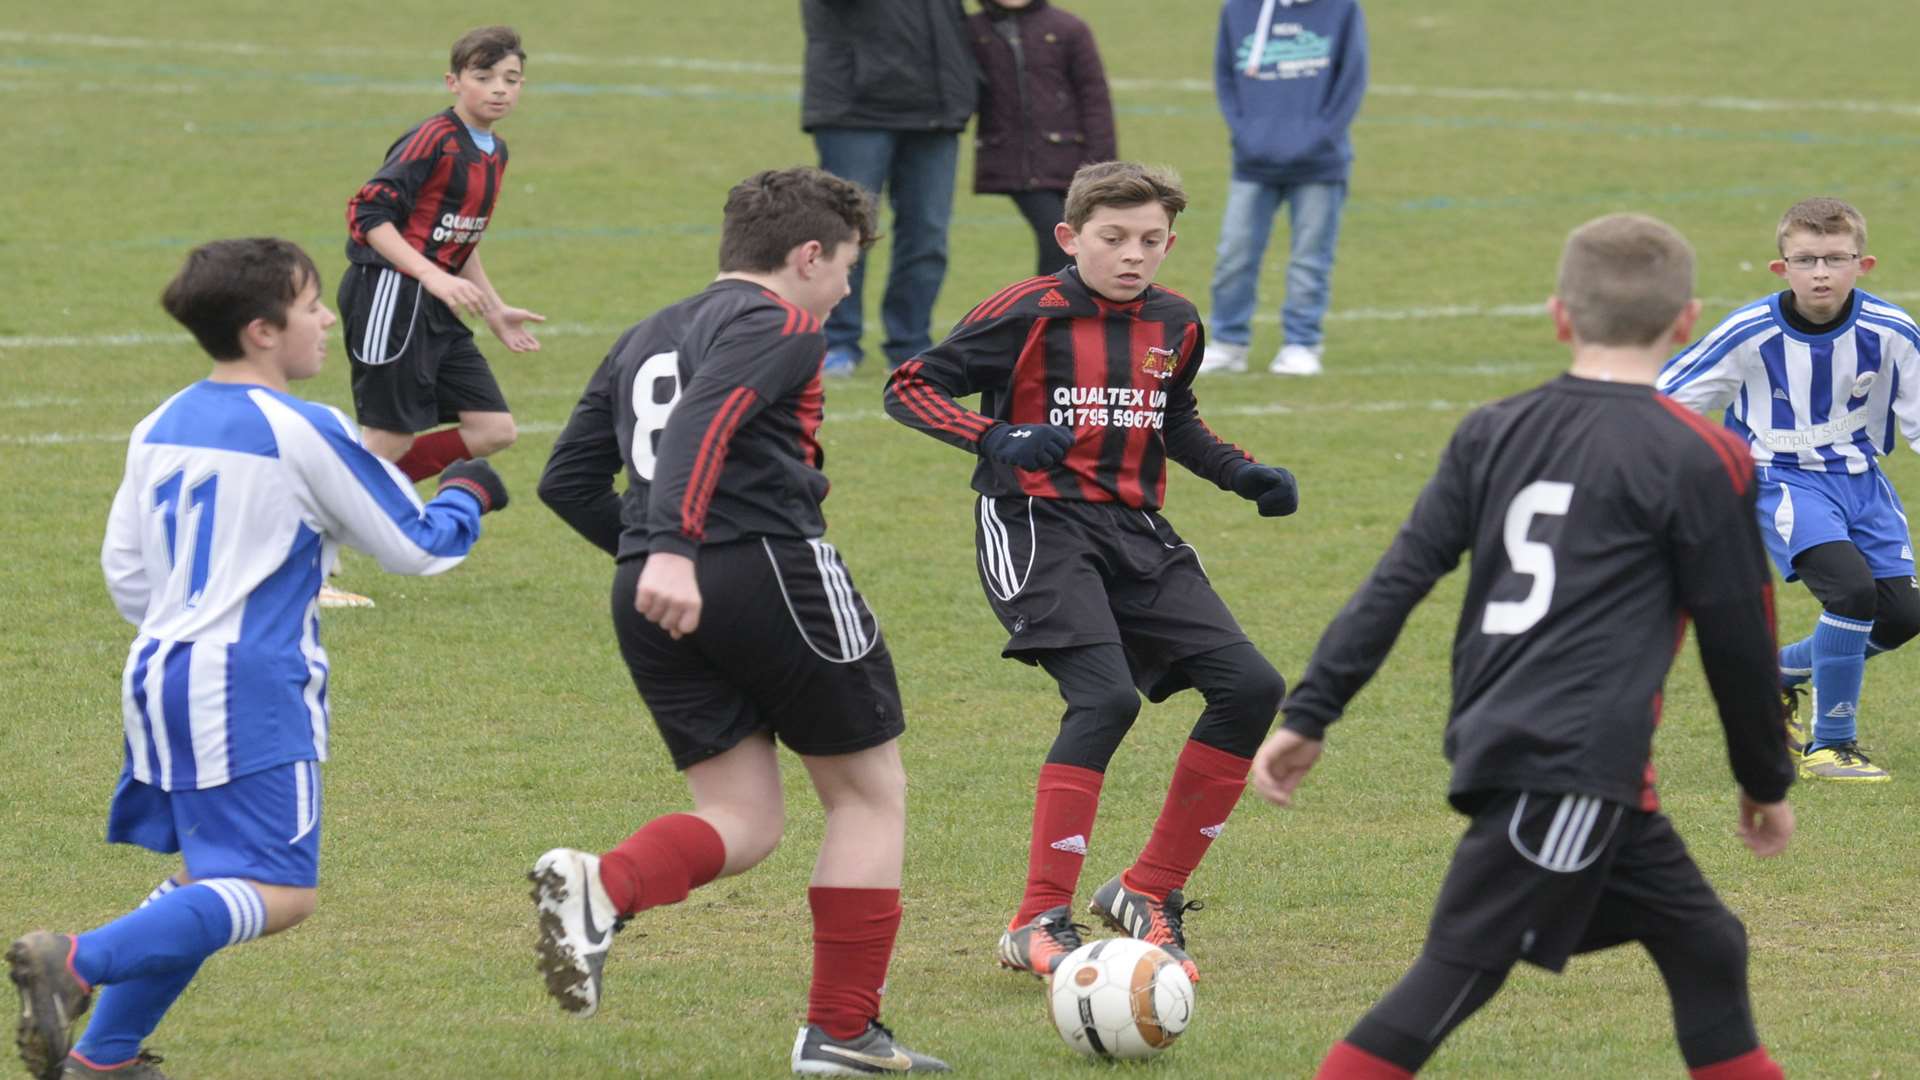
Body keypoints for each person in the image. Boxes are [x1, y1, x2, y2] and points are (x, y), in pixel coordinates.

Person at [1252, 214, 1795, 1080]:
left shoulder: (1492, 428)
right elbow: (1740, 638)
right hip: (1568, 763)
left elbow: (1398, 579)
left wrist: (1311, 712)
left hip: (1545, 754)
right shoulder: (1703, 455)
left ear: (1559, 315)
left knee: (1707, 946)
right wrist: (1764, 780)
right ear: (1687, 320)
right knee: (1453, 977)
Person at [6, 238, 507, 1080]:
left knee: (215, 878)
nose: (325, 320)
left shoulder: (158, 421)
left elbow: (126, 574)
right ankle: (76, 962)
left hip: (160, 668)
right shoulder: (301, 427)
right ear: (261, 330)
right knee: (281, 893)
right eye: (312, 305)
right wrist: (467, 490)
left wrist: (194, 614)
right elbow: (414, 545)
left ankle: (104, 1059)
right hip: (249, 683)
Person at [529, 166, 947, 1075]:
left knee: (743, 819)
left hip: (652, 589)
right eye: (844, 267)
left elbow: (564, 482)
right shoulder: (782, 322)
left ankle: (609, 883)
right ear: (806, 256)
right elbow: (706, 420)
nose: (844, 289)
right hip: (765, 567)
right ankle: (841, 1032)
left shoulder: (644, 334)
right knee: (868, 795)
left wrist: (655, 557)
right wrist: (683, 550)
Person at [883, 161, 1299, 984]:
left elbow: (1171, 415)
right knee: (1104, 698)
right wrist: (991, 438)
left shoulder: (1176, 322)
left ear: (1170, 243)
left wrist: (1241, 472)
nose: (1134, 255)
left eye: (1151, 241)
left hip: (1137, 530)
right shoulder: (1025, 311)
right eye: (1114, 239)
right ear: (1071, 238)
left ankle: (1150, 890)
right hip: (1036, 522)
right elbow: (910, 386)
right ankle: (1037, 918)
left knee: (1251, 686)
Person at [1658, 197, 1920, 783]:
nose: (1820, 273)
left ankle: (1777, 675)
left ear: (1864, 264)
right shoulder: (1749, 333)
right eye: (1806, 260)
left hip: (1862, 483)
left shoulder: (1894, 333)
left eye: (1835, 258)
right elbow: (1668, 397)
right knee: (1851, 593)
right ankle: (1830, 745)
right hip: (1779, 480)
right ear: (1782, 269)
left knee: (1903, 616)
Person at [329, 25, 543, 606]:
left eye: (511, 79)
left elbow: (460, 240)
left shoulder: (495, 152)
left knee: (491, 430)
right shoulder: (434, 139)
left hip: (440, 304)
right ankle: (307, 562)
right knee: (388, 434)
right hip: (390, 297)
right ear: (454, 82)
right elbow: (367, 214)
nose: (499, 89)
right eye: (483, 77)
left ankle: (364, 505)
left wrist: (496, 312)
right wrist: (429, 275)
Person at [801, 0, 979, 377]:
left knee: (927, 234)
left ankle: (911, 345)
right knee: (847, 229)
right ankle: (837, 341)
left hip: (936, 106)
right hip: (854, 106)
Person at [1196, 0, 1367, 377]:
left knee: (1309, 260)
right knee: (1234, 256)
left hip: (1320, 163)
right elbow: (1225, 76)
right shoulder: (1239, 9)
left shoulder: (1341, 9)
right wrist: (1246, 132)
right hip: (1253, 161)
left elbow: (1351, 79)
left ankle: (1302, 344)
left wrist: (1320, 136)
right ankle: (1228, 342)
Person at [966, 0, 1117, 278]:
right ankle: (1048, 312)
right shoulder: (972, 30)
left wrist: (1102, 167)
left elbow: (1094, 99)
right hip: (1013, 165)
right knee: (1060, 239)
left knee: (1078, 243)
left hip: (1072, 159)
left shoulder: (1069, 28)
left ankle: (1071, 313)